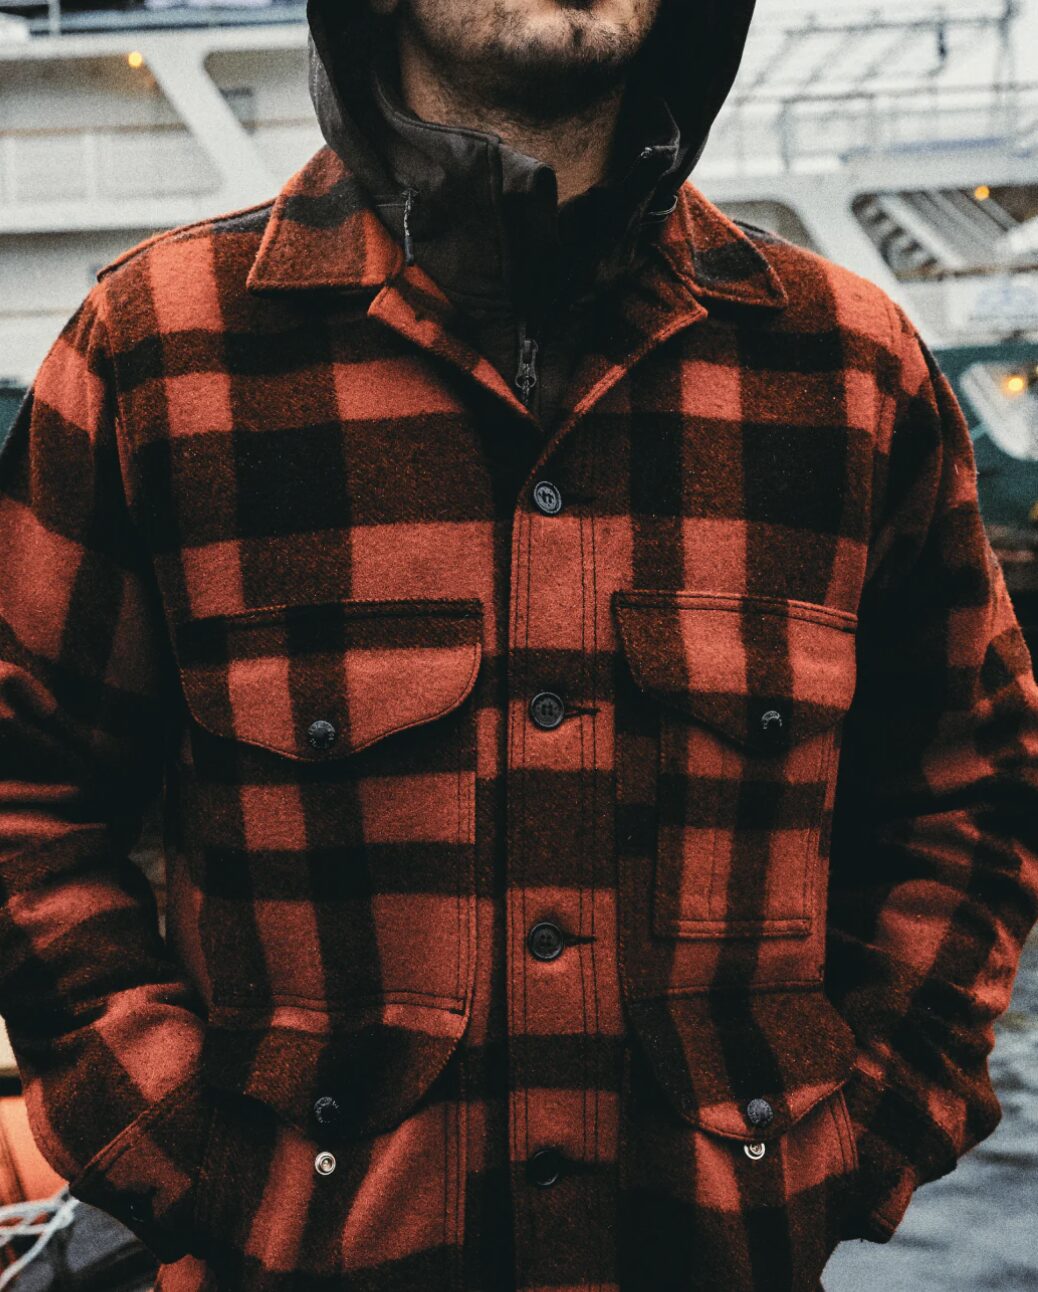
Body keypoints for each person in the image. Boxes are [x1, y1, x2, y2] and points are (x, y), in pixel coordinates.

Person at [0, 0, 1035, 1288]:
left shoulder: (851, 372)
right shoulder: (153, 354)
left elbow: (974, 789)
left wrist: (864, 1136)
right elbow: (25, 790)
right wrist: (184, 1158)